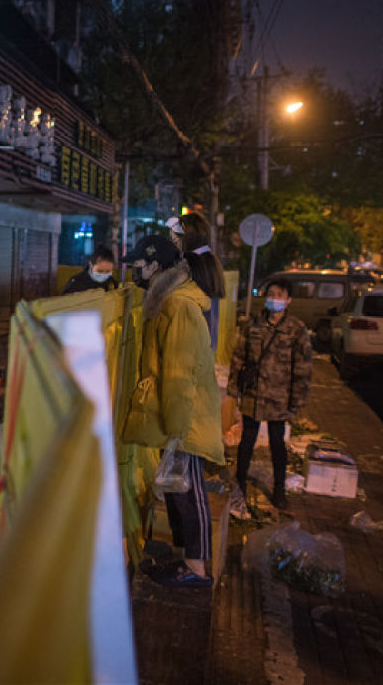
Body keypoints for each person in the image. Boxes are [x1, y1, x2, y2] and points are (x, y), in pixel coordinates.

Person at [122, 234, 223, 587]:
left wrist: (178, 429)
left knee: (190, 493)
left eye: (139, 265)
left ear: (155, 266)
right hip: (179, 414)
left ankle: (197, 568)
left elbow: (180, 372)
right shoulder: (168, 301)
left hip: (188, 417)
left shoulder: (178, 305)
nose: (135, 270)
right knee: (179, 491)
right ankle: (186, 560)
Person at [227, 278, 313, 514]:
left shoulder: (296, 329)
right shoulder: (253, 325)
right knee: (247, 441)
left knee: (277, 444)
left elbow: (303, 367)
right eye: (271, 294)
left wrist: (298, 399)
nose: (274, 299)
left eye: (279, 295)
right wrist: (234, 388)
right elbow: (238, 357)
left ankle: (279, 490)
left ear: (288, 300)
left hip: (279, 397)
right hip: (253, 394)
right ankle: (240, 485)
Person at [167, 212, 226, 352]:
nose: (175, 246)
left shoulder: (193, 266)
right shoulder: (208, 261)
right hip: (204, 347)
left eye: (176, 241)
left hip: (192, 349)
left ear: (187, 239)